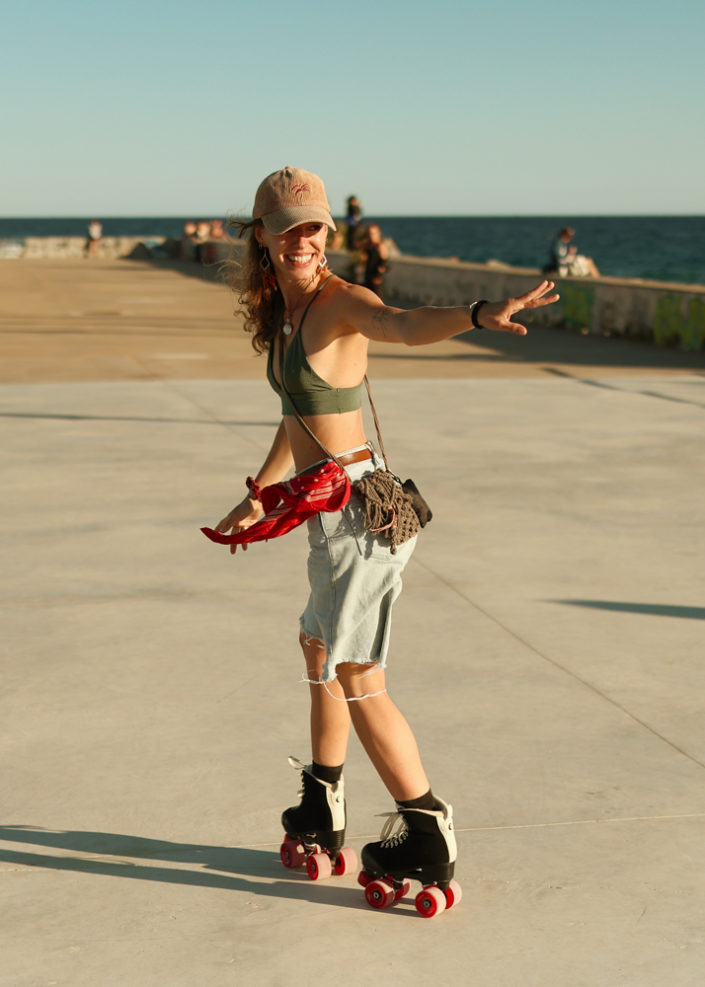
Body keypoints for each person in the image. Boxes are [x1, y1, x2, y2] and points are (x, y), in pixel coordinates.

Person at [205, 166, 558, 912]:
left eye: (314, 228)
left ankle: (428, 829)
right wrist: (256, 494)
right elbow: (294, 417)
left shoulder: (338, 304)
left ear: (327, 236)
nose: (302, 239)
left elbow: (398, 320)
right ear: (261, 237)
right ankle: (322, 800)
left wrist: (475, 311)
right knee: (317, 649)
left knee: (358, 673)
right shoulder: (286, 316)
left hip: (358, 521)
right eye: (288, 227)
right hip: (326, 516)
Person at [361, 222, 389, 296]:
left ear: (378, 233)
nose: (371, 235)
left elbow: (384, 264)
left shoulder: (380, 246)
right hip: (367, 278)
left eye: (373, 233)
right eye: (370, 233)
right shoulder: (368, 246)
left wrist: (378, 276)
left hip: (376, 280)